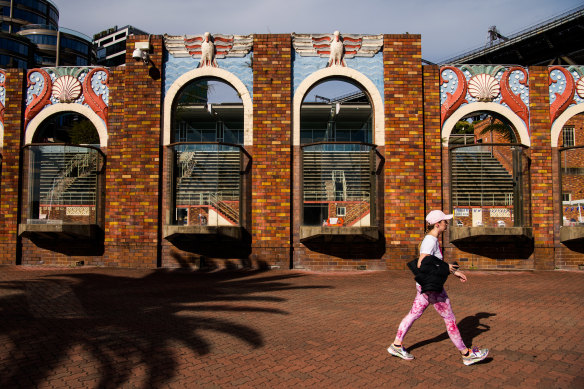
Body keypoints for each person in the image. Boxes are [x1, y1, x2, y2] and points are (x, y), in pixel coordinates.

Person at [387, 210, 489, 366]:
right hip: (433, 289)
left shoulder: (432, 239)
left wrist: (453, 271)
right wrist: (445, 268)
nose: (446, 224)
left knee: (414, 314)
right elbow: (423, 263)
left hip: (426, 286)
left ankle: (396, 345)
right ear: (437, 224)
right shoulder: (430, 241)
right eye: (444, 221)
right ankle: (466, 354)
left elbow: (435, 263)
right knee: (450, 319)